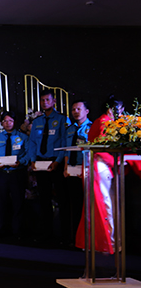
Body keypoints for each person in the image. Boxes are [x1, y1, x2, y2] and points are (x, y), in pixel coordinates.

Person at [76, 95, 124, 254]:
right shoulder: (104, 122)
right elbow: (100, 147)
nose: (121, 113)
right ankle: (108, 242)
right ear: (111, 110)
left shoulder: (103, 121)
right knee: (105, 205)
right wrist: (117, 162)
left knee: (102, 205)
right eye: (119, 109)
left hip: (100, 166)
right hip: (100, 166)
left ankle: (102, 242)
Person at [28, 89, 68, 241]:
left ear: (54, 101)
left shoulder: (62, 119)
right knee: (44, 199)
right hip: (40, 163)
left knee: (62, 199)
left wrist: (58, 161)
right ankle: (47, 234)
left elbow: (65, 142)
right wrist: (32, 160)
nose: (45, 103)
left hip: (56, 163)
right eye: (42, 100)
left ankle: (64, 235)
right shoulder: (37, 121)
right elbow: (32, 142)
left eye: (48, 100)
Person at [0, 112, 29, 239]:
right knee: (0, 203)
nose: (8, 123)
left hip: (17, 173)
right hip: (2, 174)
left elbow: (28, 153)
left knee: (18, 203)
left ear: (14, 122)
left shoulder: (23, 137)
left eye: (10, 120)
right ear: (1, 123)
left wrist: (20, 162)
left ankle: (18, 231)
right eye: (5, 121)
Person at [61, 100, 92, 245]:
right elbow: (67, 150)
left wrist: (87, 169)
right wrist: (65, 168)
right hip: (71, 171)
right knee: (73, 205)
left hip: (85, 171)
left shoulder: (91, 128)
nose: (75, 112)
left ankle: (86, 238)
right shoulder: (69, 129)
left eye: (79, 109)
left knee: (86, 206)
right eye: (73, 109)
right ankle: (74, 238)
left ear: (86, 111)